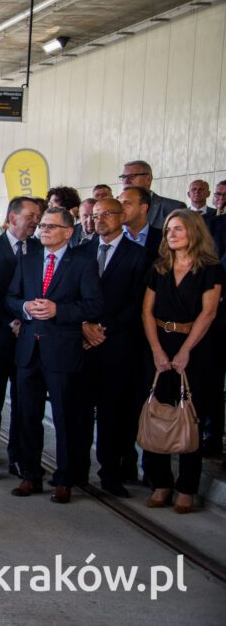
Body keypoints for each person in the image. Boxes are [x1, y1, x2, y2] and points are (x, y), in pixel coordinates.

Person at [6, 207, 103, 504]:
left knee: (65, 418)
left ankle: (64, 478)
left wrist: (59, 310)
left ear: (68, 232)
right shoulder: (29, 259)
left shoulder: (82, 264)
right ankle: (30, 474)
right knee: (27, 416)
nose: (44, 230)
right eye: (42, 225)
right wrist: (25, 307)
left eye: (51, 226)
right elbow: (10, 297)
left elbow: (94, 306)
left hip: (62, 351)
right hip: (28, 350)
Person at [141, 209, 223, 513]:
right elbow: (146, 311)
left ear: (193, 231)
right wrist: (156, 350)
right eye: (168, 230)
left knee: (191, 415)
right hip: (160, 343)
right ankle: (161, 483)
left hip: (197, 348)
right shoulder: (159, 267)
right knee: (157, 412)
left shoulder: (211, 269)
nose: (171, 235)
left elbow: (209, 313)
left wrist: (185, 350)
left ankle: (187, 487)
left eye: (177, 229)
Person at [77, 197, 149, 496]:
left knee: (112, 414)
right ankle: (76, 472)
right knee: (78, 411)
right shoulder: (80, 251)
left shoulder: (139, 255)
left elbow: (136, 302)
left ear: (122, 216)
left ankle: (110, 473)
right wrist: (84, 325)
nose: (100, 219)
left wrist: (102, 329)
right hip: (81, 343)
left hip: (117, 345)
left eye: (107, 213)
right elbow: (69, 293)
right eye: (95, 215)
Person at [0, 197, 42, 480]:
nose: (36, 221)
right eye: (31, 216)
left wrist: (24, 321)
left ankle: (19, 457)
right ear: (13, 217)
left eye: (38, 216)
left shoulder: (39, 248)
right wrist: (11, 320)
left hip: (28, 339)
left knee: (24, 401)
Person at [120, 160, 185, 228]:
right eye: (123, 177)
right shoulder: (116, 208)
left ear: (148, 179)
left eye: (132, 176)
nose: (126, 181)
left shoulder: (173, 208)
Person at [120, 186, 162, 264]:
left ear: (143, 208)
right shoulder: (112, 237)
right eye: (119, 203)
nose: (120, 208)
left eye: (127, 203)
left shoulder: (163, 238)